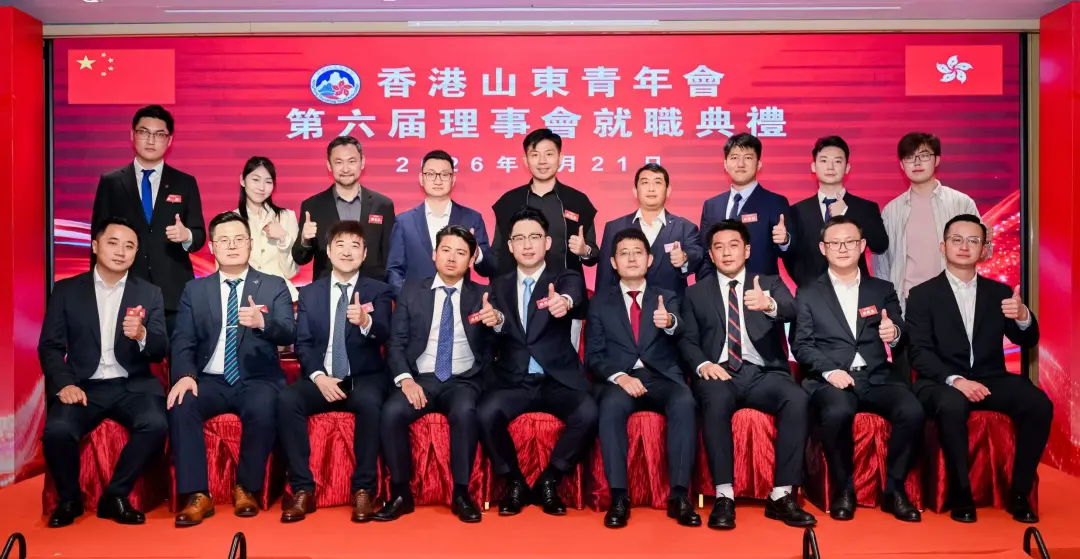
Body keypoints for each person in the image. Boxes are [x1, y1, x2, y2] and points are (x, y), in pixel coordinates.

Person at [907, 214, 1048, 524]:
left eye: (973, 241)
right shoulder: (921, 295)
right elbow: (920, 352)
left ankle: (1020, 493)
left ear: (984, 250)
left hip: (990, 377)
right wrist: (956, 380)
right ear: (943, 246)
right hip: (940, 381)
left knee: (1038, 404)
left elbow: (1027, 339)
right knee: (952, 405)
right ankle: (961, 494)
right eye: (957, 240)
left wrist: (1023, 315)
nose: (964, 246)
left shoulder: (1000, 293)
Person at [679, 220, 815, 530]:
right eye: (719, 247)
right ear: (711, 255)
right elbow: (687, 341)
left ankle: (781, 495)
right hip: (719, 372)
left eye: (734, 245)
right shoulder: (695, 293)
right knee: (714, 400)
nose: (727, 253)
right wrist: (702, 365)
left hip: (764, 373)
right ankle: (724, 496)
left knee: (796, 398)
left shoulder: (768, 282)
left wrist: (768, 304)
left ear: (748, 250)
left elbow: (791, 309)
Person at [167, 212, 295, 527]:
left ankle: (246, 488)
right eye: (224, 240)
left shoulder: (273, 285)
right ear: (212, 247)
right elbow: (182, 339)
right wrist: (184, 375)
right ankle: (198, 495)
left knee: (264, 405)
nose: (232, 245)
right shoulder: (195, 290)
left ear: (250, 243)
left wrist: (263, 322)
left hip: (257, 379)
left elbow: (289, 332)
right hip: (209, 379)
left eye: (239, 239)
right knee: (182, 403)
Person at [39, 217, 169, 528]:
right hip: (83, 385)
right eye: (113, 243)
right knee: (57, 431)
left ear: (136, 253)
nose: (121, 251)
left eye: (129, 246)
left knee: (156, 424)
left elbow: (161, 347)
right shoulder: (67, 290)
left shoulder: (149, 293)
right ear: (95, 246)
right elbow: (50, 347)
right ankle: (69, 499)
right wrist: (64, 384)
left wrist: (142, 335)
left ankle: (116, 494)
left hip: (132, 385)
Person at [793, 215, 923, 523]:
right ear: (823, 248)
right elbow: (801, 344)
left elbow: (900, 328)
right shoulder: (808, 291)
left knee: (912, 411)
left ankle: (894, 490)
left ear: (862, 245)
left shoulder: (881, 289)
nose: (842, 248)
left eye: (850, 242)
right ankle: (844, 489)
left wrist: (895, 333)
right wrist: (829, 371)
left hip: (876, 375)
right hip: (831, 379)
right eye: (835, 243)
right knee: (837, 412)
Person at [476, 206, 597, 517]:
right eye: (519, 238)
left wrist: (564, 302)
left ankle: (549, 480)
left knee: (588, 412)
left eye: (534, 237)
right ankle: (514, 482)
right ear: (510, 245)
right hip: (514, 380)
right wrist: (497, 322)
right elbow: (495, 327)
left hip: (556, 379)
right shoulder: (498, 285)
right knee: (486, 413)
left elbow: (574, 294)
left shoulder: (565, 277)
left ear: (547, 242)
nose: (527, 244)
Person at [277, 221, 394, 523]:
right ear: (328, 251)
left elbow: (384, 333)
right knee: (288, 400)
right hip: (322, 376)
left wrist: (366, 322)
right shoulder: (310, 293)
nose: (347, 251)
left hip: (361, 379)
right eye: (340, 244)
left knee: (370, 403)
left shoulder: (378, 291)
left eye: (355, 246)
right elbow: (303, 344)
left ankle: (363, 490)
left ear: (364, 254)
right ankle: (302, 490)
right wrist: (319, 377)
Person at [376, 226, 492, 523]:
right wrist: (405, 380)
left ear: (471, 260)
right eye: (446, 250)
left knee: (465, 412)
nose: (452, 258)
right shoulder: (412, 291)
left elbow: (499, 342)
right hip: (420, 377)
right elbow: (396, 342)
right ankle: (401, 493)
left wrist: (498, 321)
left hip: (463, 379)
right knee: (391, 412)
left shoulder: (483, 295)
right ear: (434, 254)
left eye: (461, 253)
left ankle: (461, 494)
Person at [586, 227, 699, 528]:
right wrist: (619, 377)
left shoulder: (668, 296)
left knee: (684, 402)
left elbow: (681, 329)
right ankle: (619, 497)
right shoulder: (600, 301)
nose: (632, 258)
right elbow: (593, 355)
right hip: (621, 380)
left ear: (649, 259)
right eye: (624, 253)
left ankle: (679, 496)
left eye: (638, 252)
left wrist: (670, 322)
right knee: (610, 407)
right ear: (613, 262)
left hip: (661, 377)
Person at [90, 105, 206, 335]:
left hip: (173, 291)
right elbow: (98, 238)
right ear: (132, 135)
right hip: (124, 287)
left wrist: (187, 236)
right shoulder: (111, 182)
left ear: (169, 140)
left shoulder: (185, 182)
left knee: (176, 353)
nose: (151, 140)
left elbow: (199, 234)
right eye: (144, 132)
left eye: (159, 134)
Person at [873, 132, 981, 310]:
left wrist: (985, 241)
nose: (917, 163)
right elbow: (882, 264)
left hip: (955, 300)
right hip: (908, 302)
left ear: (937, 160)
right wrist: (889, 304)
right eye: (909, 157)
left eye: (924, 156)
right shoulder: (891, 211)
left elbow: (982, 252)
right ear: (902, 165)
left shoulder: (962, 203)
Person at [491, 129, 599, 277]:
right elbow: (496, 253)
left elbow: (593, 255)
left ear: (560, 158)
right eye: (535, 155)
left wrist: (585, 251)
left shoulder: (577, 201)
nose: (542, 161)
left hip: (567, 287)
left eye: (549, 154)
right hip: (520, 288)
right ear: (525, 160)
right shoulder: (509, 202)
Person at [783, 136, 888, 289]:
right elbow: (790, 257)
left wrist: (847, 213)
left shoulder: (866, 207)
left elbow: (880, 245)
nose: (830, 167)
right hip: (813, 294)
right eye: (824, 161)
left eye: (837, 161)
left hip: (857, 291)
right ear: (813, 166)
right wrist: (808, 286)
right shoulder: (797, 211)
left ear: (847, 167)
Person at [387, 150, 496, 292]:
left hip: (459, 301)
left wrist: (477, 253)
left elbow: (488, 268)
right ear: (421, 178)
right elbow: (394, 271)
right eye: (431, 174)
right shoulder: (404, 222)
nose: (438, 181)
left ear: (453, 179)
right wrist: (407, 300)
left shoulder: (472, 218)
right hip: (415, 303)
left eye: (444, 175)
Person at [293, 136, 395, 282]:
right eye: (338, 162)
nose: (346, 169)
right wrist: (304, 241)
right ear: (329, 165)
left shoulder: (383, 205)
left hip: (372, 290)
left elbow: (390, 256)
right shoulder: (312, 206)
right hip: (327, 290)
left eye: (352, 161)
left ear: (362, 162)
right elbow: (300, 259)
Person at [596, 163, 703, 298]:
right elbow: (605, 277)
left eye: (657, 182)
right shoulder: (614, 227)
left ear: (668, 191)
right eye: (645, 183)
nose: (651, 188)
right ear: (635, 190)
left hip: (671, 307)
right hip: (625, 308)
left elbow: (697, 255)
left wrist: (684, 258)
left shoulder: (685, 227)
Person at [698, 133, 791, 279]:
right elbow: (705, 253)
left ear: (758, 164)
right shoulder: (712, 205)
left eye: (748, 157)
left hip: (760, 288)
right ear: (725, 164)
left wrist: (784, 241)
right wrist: (708, 286)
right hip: (718, 289)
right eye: (734, 158)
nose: (740, 164)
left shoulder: (775, 202)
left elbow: (792, 254)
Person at [233, 156, 300, 300]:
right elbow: (223, 270)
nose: (262, 187)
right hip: (242, 297)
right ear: (242, 180)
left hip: (280, 296)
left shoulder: (287, 217)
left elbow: (291, 272)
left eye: (268, 182)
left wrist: (283, 239)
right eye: (255, 180)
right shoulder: (230, 220)